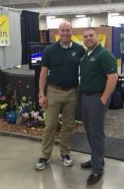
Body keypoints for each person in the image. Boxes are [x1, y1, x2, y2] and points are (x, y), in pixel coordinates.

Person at [35, 21, 85, 170]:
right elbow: (43, 73)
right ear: (59, 32)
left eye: (68, 30)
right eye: (63, 30)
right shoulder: (50, 50)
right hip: (53, 92)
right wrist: (41, 94)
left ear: (72, 31)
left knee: (68, 126)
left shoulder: (79, 49)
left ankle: (65, 153)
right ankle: (45, 156)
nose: (65, 33)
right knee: (49, 126)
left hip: (71, 93)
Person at [79, 27, 118, 185]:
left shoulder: (104, 54)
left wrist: (103, 98)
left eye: (91, 35)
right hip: (85, 98)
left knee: (96, 133)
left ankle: (97, 170)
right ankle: (97, 159)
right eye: (86, 36)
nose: (88, 38)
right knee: (89, 131)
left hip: (97, 99)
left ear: (97, 37)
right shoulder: (86, 55)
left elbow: (113, 77)